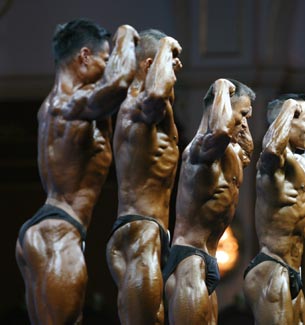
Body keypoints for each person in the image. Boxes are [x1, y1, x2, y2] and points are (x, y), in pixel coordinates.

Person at [15, 19, 138, 324]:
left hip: (46, 227)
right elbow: (120, 82)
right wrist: (124, 34)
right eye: (105, 59)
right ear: (84, 56)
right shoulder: (69, 105)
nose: (109, 66)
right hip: (59, 231)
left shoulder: (51, 106)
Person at [163, 78, 255, 324]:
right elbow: (221, 130)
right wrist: (221, 89)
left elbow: (247, 149)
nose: (245, 123)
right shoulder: (200, 149)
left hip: (208, 260)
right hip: (189, 260)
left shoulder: (231, 155)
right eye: (242, 115)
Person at [105, 29, 182, 324]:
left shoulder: (155, 112)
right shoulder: (136, 105)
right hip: (140, 230)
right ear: (151, 65)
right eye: (171, 65)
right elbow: (158, 91)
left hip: (151, 233)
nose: (177, 72)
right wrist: (166, 46)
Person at [243, 94, 305, 324]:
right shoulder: (270, 164)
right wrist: (290, 106)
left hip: (293, 271)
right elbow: (272, 148)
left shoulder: (301, 163)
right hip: (270, 268)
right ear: (289, 119)